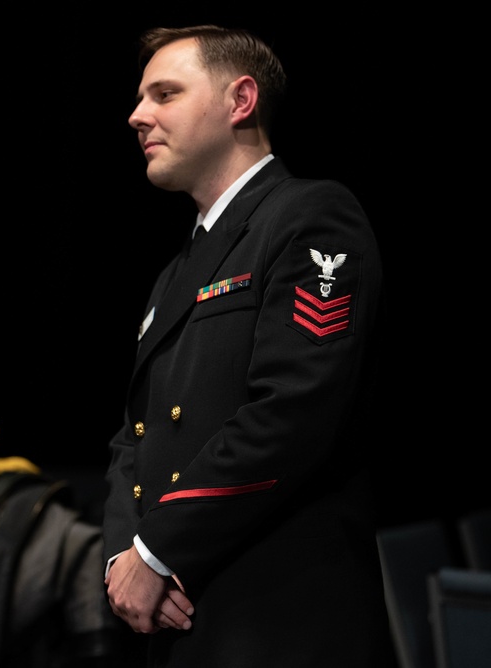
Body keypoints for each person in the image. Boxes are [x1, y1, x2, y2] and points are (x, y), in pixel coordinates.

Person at [101, 25, 394, 667]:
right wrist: (126, 555)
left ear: (240, 100)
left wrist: (157, 551)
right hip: (176, 617)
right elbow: (135, 437)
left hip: (279, 621)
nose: (136, 115)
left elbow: (293, 411)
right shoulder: (174, 273)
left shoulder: (311, 216)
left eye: (164, 93)